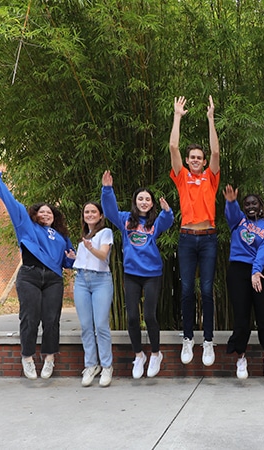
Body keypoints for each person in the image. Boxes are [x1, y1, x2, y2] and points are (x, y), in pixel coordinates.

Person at [0, 163, 76, 380]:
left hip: (54, 279)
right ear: (35, 214)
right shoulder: (26, 225)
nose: (46, 214)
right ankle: (27, 357)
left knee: (51, 318)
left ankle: (49, 358)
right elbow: (10, 202)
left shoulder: (62, 236)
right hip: (30, 275)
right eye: (42, 211)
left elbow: (69, 261)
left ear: (54, 216)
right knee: (30, 317)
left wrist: (72, 259)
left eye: (50, 212)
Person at [100, 171, 176, 378]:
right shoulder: (126, 219)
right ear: (135, 201)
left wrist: (167, 211)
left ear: (152, 204)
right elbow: (109, 211)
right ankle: (139, 355)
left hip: (152, 273)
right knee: (132, 316)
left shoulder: (154, 222)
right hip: (131, 273)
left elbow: (167, 221)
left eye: (148, 199)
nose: (144, 202)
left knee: (150, 315)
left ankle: (155, 354)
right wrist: (107, 190)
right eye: (140, 198)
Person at [168, 95, 222, 366]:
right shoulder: (182, 177)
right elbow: (173, 146)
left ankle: (208, 341)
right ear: (188, 161)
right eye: (193, 157)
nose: (197, 160)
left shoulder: (211, 178)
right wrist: (177, 117)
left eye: (199, 157)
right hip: (187, 238)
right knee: (187, 289)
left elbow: (216, 153)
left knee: (207, 290)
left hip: (209, 238)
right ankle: (188, 338)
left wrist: (211, 119)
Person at [222, 185, 264, 379]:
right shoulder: (238, 221)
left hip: (262, 271)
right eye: (247, 204)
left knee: (263, 315)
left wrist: (256, 270)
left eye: (254, 203)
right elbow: (231, 213)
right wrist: (231, 201)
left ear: (261, 206)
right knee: (241, 316)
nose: (250, 206)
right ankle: (241, 357)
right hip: (238, 270)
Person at [73, 202, 116, 387]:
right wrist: (73, 257)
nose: (89, 214)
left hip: (101, 281)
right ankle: (91, 365)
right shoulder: (84, 237)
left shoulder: (105, 232)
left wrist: (90, 248)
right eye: (86, 211)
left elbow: (103, 255)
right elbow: (86, 260)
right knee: (85, 326)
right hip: (81, 280)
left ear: (100, 216)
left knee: (101, 325)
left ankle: (107, 366)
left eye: (93, 212)